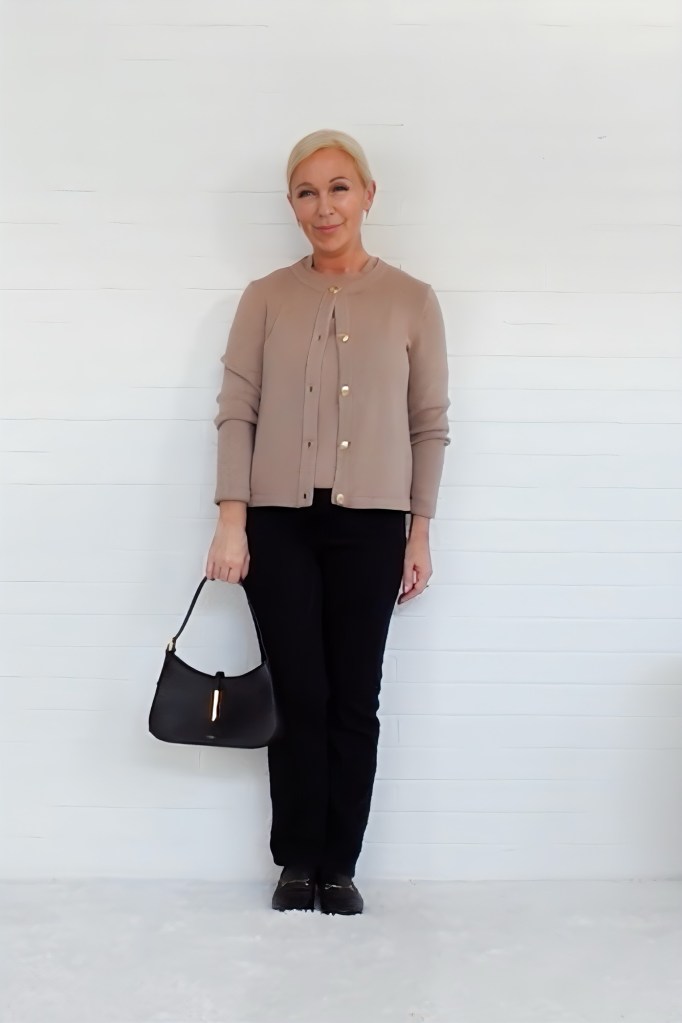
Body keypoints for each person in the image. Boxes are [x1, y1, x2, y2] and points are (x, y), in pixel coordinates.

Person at [205, 129, 450, 915]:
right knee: (297, 692)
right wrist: (231, 521)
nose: (324, 206)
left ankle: (339, 864)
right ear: (291, 204)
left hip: (373, 525)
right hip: (276, 524)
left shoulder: (411, 299)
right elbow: (236, 412)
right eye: (308, 191)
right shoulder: (265, 297)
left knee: (354, 696)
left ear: (368, 195)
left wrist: (419, 530)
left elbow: (429, 424)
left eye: (340, 187)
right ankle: (296, 859)